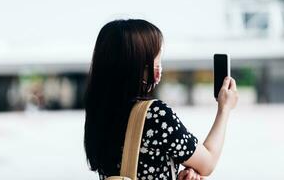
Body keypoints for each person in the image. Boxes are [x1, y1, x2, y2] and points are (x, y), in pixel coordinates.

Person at [84, 19, 238, 180]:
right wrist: (224, 108)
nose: (159, 71)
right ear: (137, 67)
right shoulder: (154, 115)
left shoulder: (99, 112)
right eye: (156, 63)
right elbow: (207, 163)